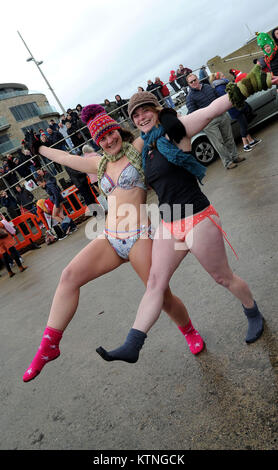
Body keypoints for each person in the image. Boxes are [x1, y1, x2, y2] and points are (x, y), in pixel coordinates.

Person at [96, 66, 278, 363]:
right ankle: (133, 344)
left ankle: (252, 310)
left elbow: (210, 110)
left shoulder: (174, 129)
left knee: (223, 277)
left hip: (196, 215)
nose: (141, 117)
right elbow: (109, 158)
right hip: (170, 221)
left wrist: (248, 85)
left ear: (155, 110)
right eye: (135, 115)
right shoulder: (144, 148)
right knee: (156, 282)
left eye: (145, 110)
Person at [22, 105, 203, 382]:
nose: (109, 141)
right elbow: (66, 158)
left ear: (118, 130)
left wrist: (162, 113)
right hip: (109, 238)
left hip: (139, 236)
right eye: (102, 138)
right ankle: (49, 347)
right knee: (69, 276)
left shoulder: (138, 149)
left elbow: (156, 127)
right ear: (97, 142)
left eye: (111, 133)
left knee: (161, 295)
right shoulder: (100, 163)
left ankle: (189, 331)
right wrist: (40, 149)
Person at [186, 73, 244, 169]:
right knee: (219, 143)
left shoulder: (208, 87)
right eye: (191, 82)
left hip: (222, 116)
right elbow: (193, 113)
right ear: (189, 84)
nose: (194, 82)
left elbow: (218, 97)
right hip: (209, 123)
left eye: (194, 80)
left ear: (198, 79)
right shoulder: (190, 97)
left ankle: (235, 157)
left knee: (229, 138)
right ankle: (228, 163)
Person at [209, 72, 261, 152]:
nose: (225, 76)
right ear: (218, 78)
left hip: (237, 107)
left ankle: (251, 141)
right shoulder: (219, 87)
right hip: (234, 109)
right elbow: (229, 98)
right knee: (243, 125)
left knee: (244, 124)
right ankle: (245, 145)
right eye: (223, 75)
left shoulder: (224, 84)